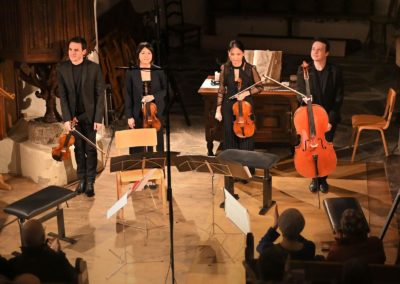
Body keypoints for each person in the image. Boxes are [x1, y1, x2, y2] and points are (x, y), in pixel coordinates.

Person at [58, 36, 105, 197]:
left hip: (90, 116)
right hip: (73, 118)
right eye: (70, 49)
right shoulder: (62, 68)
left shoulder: (93, 68)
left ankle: (91, 181)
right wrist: (66, 119)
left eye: (76, 50)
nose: (72, 53)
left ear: (84, 52)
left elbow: (100, 94)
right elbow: (63, 96)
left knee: (90, 149)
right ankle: (82, 180)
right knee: (78, 149)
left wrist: (99, 118)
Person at [296, 38, 344, 194]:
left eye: (319, 49)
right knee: (310, 150)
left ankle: (323, 179)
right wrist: (303, 97)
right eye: (312, 49)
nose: (314, 52)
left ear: (327, 53)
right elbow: (300, 92)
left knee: (325, 151)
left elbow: (338, 98)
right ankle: (313, 178)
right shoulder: (304, 70)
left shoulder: (335, 72)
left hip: (329, 118)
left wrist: (330, 120)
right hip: (310, 119)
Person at [215, 40, 262, 152]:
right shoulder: (225, 69)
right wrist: (218, 109)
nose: (235, 58)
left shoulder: (250, 69)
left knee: (246, 140)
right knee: (229, 138)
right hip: (229, 106)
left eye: (238, 54)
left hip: (246, 107)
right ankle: (233, 167)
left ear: (243, 53)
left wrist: (246, 93)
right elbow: (221, 89)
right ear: (228, 54)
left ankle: (247, 168)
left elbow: (260, 87)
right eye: (232, 54)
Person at [125, 42, 166, 153]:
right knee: (137, 143)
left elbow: (167, 91)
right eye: (143, 53)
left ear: (152, 55)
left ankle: (156, 163)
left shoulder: (158, 71)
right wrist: (129, 116)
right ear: (138, 55)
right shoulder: (131, 72)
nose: (146, 56)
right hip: (137, 113)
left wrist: (153, 96)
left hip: (155, 112)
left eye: (149, 53)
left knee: (156, 142)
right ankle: (139, 165)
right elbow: (128, 95)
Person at [8, 220, 77, 283]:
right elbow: (74, 277)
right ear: (43, 237)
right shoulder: (56, 260)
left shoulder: (14, 264)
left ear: (23, 239)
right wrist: (58, 253)